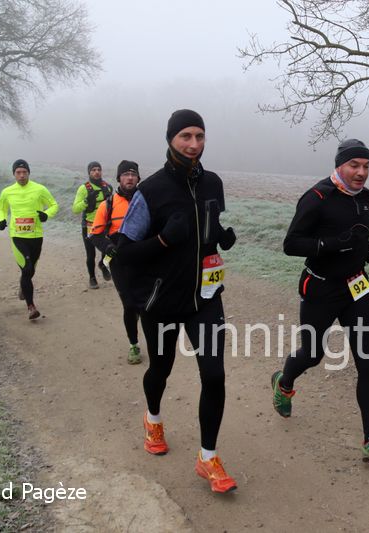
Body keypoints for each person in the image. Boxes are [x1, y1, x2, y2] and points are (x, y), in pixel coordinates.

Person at [116, 109, 238, 493]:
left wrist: (219, 236)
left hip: (206, 297)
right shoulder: (150, 191)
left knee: (214, 375)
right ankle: (153, 418)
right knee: (161, 369)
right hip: (163, 301)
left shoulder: (213, 183)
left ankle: (208, 457)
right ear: (171, 139)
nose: (194, 144)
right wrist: (163, 240)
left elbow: (206, 229)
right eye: (186, 136)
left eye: (199, 136)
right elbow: (124, 252)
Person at [270, 139, 369, 463]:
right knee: (313, 355)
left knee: (366, 360)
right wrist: (331, 244)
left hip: (356, 288)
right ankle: (284, 382)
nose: (361, 172)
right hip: (321, 288)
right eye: (354, 165)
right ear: (340, 165)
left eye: (366, 166)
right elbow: (291, 244)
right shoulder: (317, 198)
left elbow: (358, 235)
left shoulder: (364, 197)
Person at [89, 160, 142, 365]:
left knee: (144, 304)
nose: (130, 178)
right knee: (129, 304)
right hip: (119, 262)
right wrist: (107, 247)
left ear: (138, 178)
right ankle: (133, 344)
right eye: (126, 174)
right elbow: (95, 235)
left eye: (133, 174)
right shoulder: (108, 204)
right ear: (119, 178)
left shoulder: (146, 201)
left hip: (143, 259)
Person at [0, 159, 59, 320]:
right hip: (18, 236)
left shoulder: (39, 189)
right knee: (27, 268)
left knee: (30, 271)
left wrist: (46, 215)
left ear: (29, 173)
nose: (22, 175)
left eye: (24, 172)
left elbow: (54, 205)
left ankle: (23, 285)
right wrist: (1, 220)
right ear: (14, 174)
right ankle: (31, 307)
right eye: (18, 172)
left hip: (36, 236)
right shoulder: (7, 192)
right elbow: (1, 208)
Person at [72, 161, 113, 289]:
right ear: (89, 172)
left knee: (110, 250)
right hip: (89, 226)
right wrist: (86, 201)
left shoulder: (108, 187)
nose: (97, 172)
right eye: (93, 170)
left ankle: (103, 264)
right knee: (91, 254)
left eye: (99, 169)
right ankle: (92, 278)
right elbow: (75, 209)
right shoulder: (83, 188)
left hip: (105, 225)